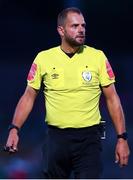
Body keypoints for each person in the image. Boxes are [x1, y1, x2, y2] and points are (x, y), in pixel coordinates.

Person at [5, 7, 130, 179]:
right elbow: (28, 96)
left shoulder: (97, 57)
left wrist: (122, 138)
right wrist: (14, 129)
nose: (81, 30)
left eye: (83, 26)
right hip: (56, 138)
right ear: (61, 30)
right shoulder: (44, 59)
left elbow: (113, 99)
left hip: (90, 138)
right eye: (75, 26)